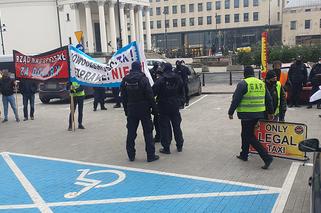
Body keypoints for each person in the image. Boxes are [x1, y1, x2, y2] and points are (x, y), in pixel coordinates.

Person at [228, 66, 274, 169]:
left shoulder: (243, 83)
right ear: (253, 73)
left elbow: (236, 99)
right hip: (259, 113)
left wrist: (230, 112)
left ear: (244, 74)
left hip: (247, 115)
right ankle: (244, 154)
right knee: (245, 134)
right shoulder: (261, 83)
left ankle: (267, 157)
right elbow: (269, 99)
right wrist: (271, 112)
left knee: (249, 136)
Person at [120, 61, 159, 162]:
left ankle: (131, 155)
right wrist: (154, 110)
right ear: (140, 67)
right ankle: (150, 155)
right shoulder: (143, 79)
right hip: (144, 109)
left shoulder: (125, 80)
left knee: (131, 132)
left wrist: (126, 110)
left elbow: (123, 97)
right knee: (148, 132)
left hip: (131, 108)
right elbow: (150, 96)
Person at [153, 63, 185, 154]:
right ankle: (179, 145)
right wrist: (181, 101)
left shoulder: (161, 80)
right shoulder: (178, 78)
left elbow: (153, 92)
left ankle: (166, 147)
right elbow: (182, 90)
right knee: (177, 126)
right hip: (175, 105)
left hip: (163, 106)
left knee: (165, 127)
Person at [149, 62, 161, 143]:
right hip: (171, 105)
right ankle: (168, 138)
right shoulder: (175, 78)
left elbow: (152, 94)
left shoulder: (159, 82)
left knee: (157, 122)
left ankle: (159, 137)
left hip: (160, 104)